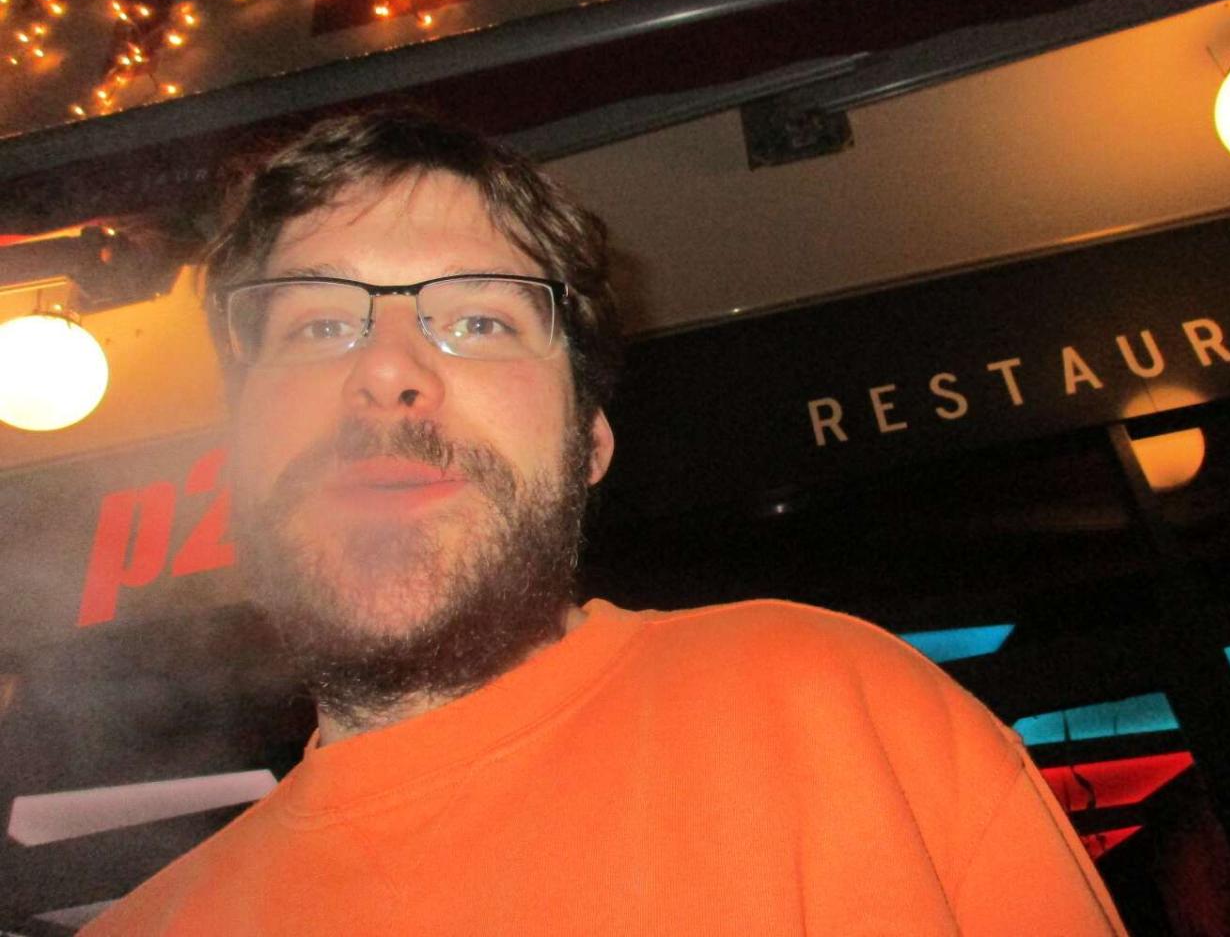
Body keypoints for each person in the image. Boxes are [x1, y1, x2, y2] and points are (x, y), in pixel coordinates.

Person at [85, 111, 1126, 935]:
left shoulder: (843, 713)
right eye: (319, 326)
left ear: (587, 444)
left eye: (478, 319)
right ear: (238, 453)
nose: (388, 371)